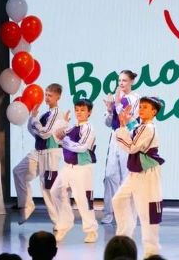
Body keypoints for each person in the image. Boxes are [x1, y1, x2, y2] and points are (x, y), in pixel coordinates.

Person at [112, 96, 165, 258]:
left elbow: (132, 147)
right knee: (119, 200)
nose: (141, 109)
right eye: (140, 106)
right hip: (136, 172)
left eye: (145, 107)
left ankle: (151, 250)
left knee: (147, 212)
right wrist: (126, 122)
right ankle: (124, 238)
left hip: (146, 173)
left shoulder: (148, 128)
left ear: (154, 112)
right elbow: (133, 132)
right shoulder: (142, 126)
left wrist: (122, 126)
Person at [13, 83, 67, 224]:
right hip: (39, 151)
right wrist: (32, 117)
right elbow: (33, 130)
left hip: (50, 152)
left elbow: (45, 133)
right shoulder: (44, 114)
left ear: (58, 97)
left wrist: (35, 122)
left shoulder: (57, 113)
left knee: (47, 187)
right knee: (18, 172)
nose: (47, 98)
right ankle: (27, 206)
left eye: (50, 95)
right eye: (46, 95)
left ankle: (58, 221)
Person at [50, 98, 98, 243]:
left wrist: (64, 140)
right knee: (55, 191)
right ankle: (64, 224)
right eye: (77, 110)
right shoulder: (72, 128)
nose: (79, 112)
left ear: (89, 112)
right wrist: (62, 125)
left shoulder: (88, 128)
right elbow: (58, 139)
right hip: (68, 167)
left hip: (82, 168)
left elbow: (82, 147)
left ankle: (91, 230)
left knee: (83, 200)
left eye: (82, 110)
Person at [102, 69, 140, 225]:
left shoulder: (134, 98)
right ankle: (109, 213)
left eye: (124, 80)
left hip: (128, 136)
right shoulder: (116, 97)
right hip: (114, 136)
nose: (121, 83)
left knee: (126, 176)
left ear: (131, 81)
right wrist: (109, 110)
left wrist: (116, 104)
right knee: (110, 176)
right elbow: (108, 122)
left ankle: (127, 214)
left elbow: (127, 117)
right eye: (119, 80)